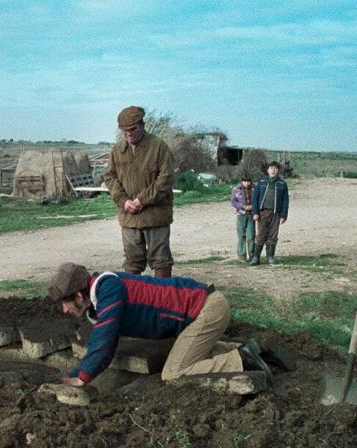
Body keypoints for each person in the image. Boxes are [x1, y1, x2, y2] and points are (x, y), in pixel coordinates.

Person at [46, 262, 271, 387]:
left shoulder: (109, 289)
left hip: (206, 309)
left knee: (173, 373)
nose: (65, 310)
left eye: (65, 303)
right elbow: (108, 342)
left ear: (78, 296)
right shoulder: (99, 302)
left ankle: (242, 360)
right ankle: (252, 349)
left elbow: (103, 337)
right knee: (189, 354)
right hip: (201, 311)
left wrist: (83, 377)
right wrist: (77, 374)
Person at [103, 106, 176, 278]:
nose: (128, 134)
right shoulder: (117, 150)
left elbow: (166, 178)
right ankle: (135, 294)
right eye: (124, 130)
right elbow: (109, 177)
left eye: (132, 129)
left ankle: (162, 294)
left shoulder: (159, 147)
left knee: (161, 260)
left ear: (142, 125)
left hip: (155, 216)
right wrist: (123, 201)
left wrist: (142, 200)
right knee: (132, 262)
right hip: (129, 217)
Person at [250, 161, 289, 265]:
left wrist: (283, 215)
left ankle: (270, 257)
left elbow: (285, 201)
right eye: (271, 168)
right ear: (267, 170)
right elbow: (255, 198)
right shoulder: (261, 182)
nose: (273, 170)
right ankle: (256, 257)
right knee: (261, 235)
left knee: (273, 235)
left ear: (278, 170)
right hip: (262, 213)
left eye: (275, 168)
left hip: (276, 214)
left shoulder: (282, 184)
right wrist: (255, 212)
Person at [231, 176, 255, 261]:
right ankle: (241, 255)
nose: (247, 183)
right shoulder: (236, 189)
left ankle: (252, 255)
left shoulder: (255, 188)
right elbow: (233, 202)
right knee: (241, 235)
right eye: (245, 181)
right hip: (241, 214)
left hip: (252, 214)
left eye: (248, 181)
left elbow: (259, 199)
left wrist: (253, 206)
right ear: (241, 181)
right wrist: (243, 206)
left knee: (251, 236)